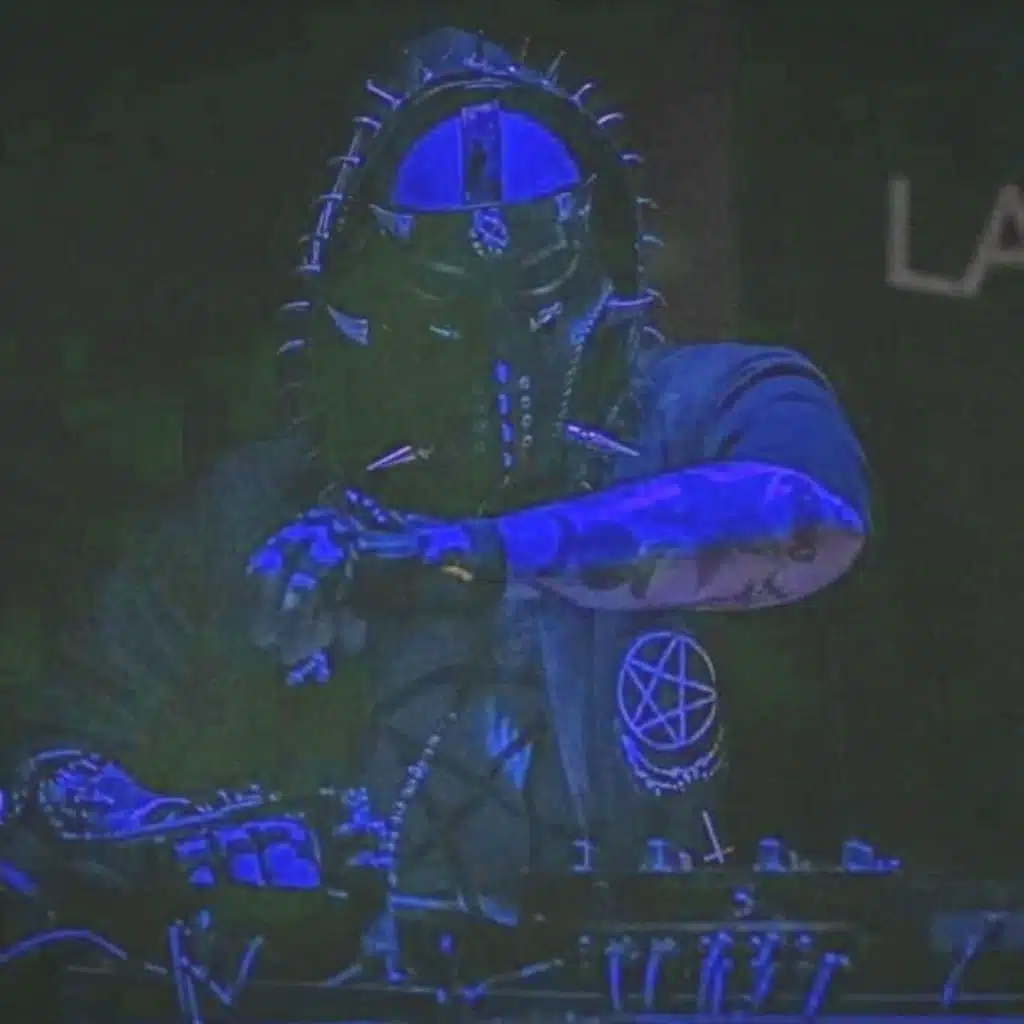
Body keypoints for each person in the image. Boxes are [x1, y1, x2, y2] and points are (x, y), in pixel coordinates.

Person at [1, 28, 869, 936]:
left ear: (600, 257)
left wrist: (460, 553)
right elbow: (50, 760)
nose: (499, 337)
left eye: (537, 269)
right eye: (444, 282)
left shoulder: (713, 409)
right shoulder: (259, 512)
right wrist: (179, 837)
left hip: (682, 972)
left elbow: (810, 516)